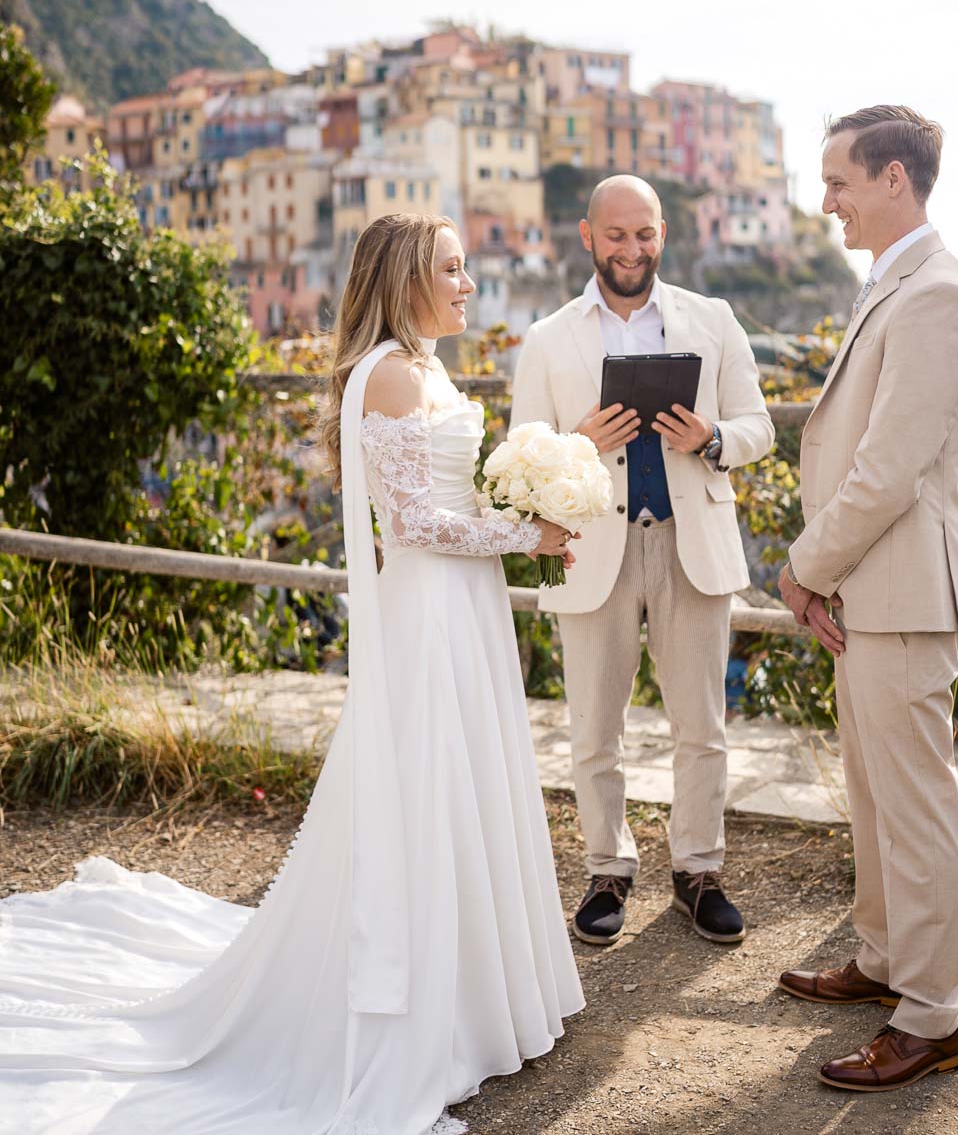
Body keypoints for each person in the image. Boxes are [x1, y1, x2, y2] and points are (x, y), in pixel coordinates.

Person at [0, 214, 584, 1134]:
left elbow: (452, 496)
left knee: (461, 783)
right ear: (404, 278)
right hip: (430, 612)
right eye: (452, 268)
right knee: (426, 791)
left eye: (467, 267)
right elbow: (413, 528)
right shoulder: (390, 374)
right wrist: (527, 532)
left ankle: (479, 991)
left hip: (462, 608)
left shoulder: (425, 367)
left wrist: (529, 492)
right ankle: (428, 1006)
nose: (469, 282)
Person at [774, 106, 958, 1092]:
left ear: (894, 179)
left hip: (901, 591)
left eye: (840, 181)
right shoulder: (897, 283)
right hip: (874, 588)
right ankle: (883, 960)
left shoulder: (937, 295)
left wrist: (804, 566)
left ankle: (933, 1016)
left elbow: (889, 469)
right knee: (871, 798)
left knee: (914, 810)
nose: (828, 202)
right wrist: (831, 574)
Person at [511, 175, 774, 947]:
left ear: (664, 234)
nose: (632, 250)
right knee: (594, 726)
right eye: (616, 235)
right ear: (588, 237)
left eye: (645, 234)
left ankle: (699, 870)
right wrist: (576, 444)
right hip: (590, 546)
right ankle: (605, 870)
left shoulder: (714, 319)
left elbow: (758, 424)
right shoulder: (546, 339)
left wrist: (713, 439)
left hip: (692, 543)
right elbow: (523, 456)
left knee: (704, 723)